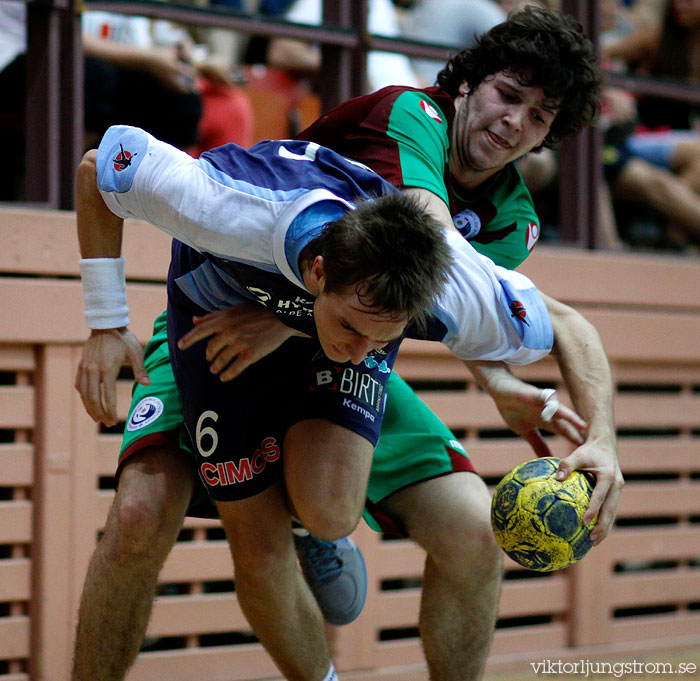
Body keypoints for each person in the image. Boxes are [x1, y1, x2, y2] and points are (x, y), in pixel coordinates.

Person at [72, 8, 624, 681]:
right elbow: (432, 241)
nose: (515, 122)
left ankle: (317, 524)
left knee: (470, 532)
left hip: (349, 334)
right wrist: (106, 321)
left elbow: (448, 298)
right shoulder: (404, 118)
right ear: (467, 83)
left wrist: (554, 410)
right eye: (508, 95)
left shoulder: (514, 222)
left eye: (539, 117)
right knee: (141, 516)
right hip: (223, 315)